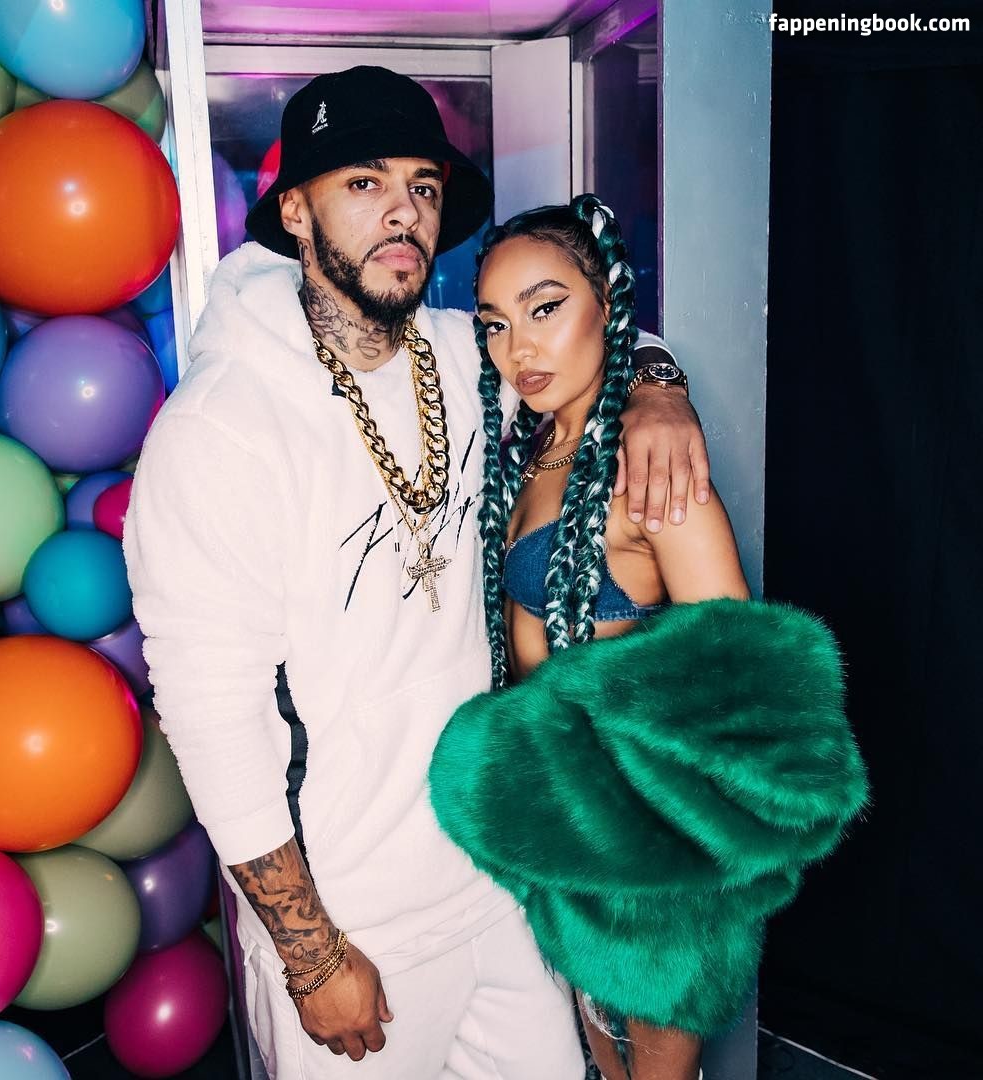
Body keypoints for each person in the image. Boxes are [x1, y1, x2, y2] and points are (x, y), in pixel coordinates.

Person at [124, 68, 710, 1080]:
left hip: (499, 879)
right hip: (355, 919)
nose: (404, 211)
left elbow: (588, 342)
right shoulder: (219, 430)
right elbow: (210, 710)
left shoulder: (469, 356)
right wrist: (310, 953)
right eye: (364, 183)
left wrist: (658, 387)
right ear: (295, 211)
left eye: (424, 186)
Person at [428, 196, 869, 1080]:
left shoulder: (649, 469)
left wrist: (661, 836)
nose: (519, 348)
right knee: (598, 1061)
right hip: (565, 828)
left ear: (606, 304)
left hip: (646, 856)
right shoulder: (534, 446)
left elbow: (748, 686)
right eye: (496, 323)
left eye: (546, 308)